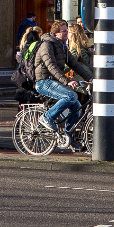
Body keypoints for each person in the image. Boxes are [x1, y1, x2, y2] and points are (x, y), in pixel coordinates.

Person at [34, 21, 93, 149]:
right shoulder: (47, 45)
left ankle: (68, 139)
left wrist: (90, 77)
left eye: (67, 31)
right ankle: (46, 117)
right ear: (56, 34)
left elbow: (74, 64)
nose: (67, 33)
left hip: (54, 81)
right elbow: (51, 66)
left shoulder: (62, 46)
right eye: (64, 31)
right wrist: (66, 81)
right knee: (71, 96)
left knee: (76, 107)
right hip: (44, 81)